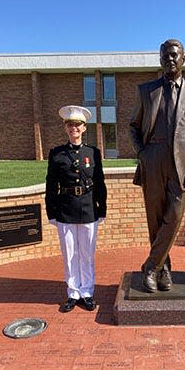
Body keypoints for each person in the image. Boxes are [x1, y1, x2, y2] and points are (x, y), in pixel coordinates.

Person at [129, 39, 185, 293]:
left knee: (173, 217)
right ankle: (164, 271)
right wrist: (142, 153)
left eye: (174, 55)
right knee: (155, 220)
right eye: (165, 55)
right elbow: (133, 126)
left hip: (182, 167)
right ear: (160, 59)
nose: (169, 59)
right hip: (152, 160)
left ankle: (150, 266)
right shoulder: (147, 91)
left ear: (183, 58)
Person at [45, 105, 107, 312]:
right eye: (70, 124)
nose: (74, 128)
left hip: (89, 208)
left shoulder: (93, 153)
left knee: (87, 253)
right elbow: (51, 184)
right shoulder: (56, 154)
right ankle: (73, 293)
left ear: (84, 128)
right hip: (65, 209)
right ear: (66, 128)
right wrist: (51, 212)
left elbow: (100, 182)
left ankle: (87, 292)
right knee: (70, 254)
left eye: (78, 124)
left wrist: (102, 208)